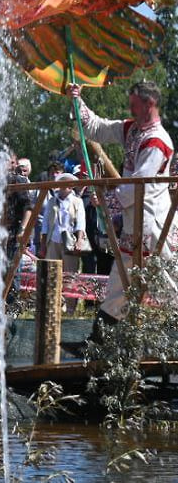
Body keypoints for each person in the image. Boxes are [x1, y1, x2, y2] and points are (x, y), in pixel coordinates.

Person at [66, 81, 174, 346]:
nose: (130, 109)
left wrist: (108, 200)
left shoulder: (156, 141)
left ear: (150, 104)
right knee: (120, 283)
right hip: (134, 223)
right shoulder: (132, 129)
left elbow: (141, 185)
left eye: (134, 105)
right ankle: (99, 342)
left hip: (152, 226)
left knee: (169, 285)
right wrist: (77, 100)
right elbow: (97, 128)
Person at [38, 172, 88, 313]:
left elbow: (80, 224)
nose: (65, 187)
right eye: (63, 184)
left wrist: (79, 241)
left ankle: (70, 307)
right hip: (53, 240)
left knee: (70, 274)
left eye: (68, 184)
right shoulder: (51, 201)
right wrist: (43, 244)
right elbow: (45, 225)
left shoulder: (77, 201)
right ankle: (54, 304)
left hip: (70, 242)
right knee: (52, 272)